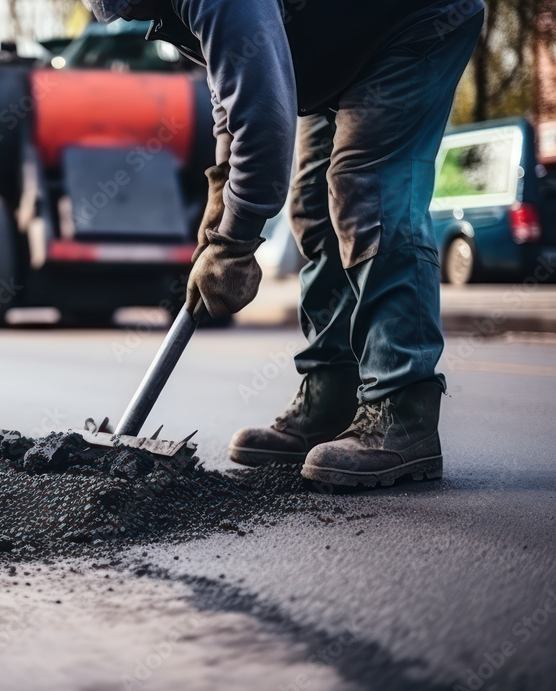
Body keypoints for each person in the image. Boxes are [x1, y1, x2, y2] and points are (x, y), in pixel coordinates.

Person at [82, 0, 484, 487]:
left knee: (366, 188)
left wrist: (234, 241)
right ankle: (330, 393)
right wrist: (222, 187)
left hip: (416, 23)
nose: (128, 18)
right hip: (341, 49)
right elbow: (234, 94)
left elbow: (265, 123)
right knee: (313, 209)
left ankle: (402, 411)